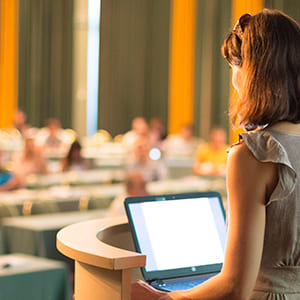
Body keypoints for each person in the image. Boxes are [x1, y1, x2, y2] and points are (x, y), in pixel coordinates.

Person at [131, 9, 300, 299]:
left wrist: (164, 298)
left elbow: (235, 287)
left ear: (252, 72)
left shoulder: (254, 155)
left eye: (235, 66)